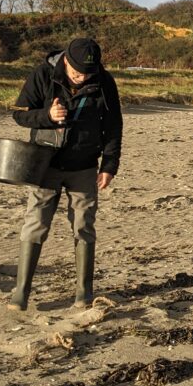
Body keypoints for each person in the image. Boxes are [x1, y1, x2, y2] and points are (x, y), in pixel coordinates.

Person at [8, 38, 122, 311]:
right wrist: (47, 115)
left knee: (84, 226)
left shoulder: (104, 80)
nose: (82, 77)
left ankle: (83, 293)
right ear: (66, 61)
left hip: (84, 166)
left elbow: (114, 124)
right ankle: (21, 293)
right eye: (77, 72)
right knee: (36, 224)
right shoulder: (43, 74)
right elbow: (20, 115)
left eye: (87, 73)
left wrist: (109, 166)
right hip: (44, 164)